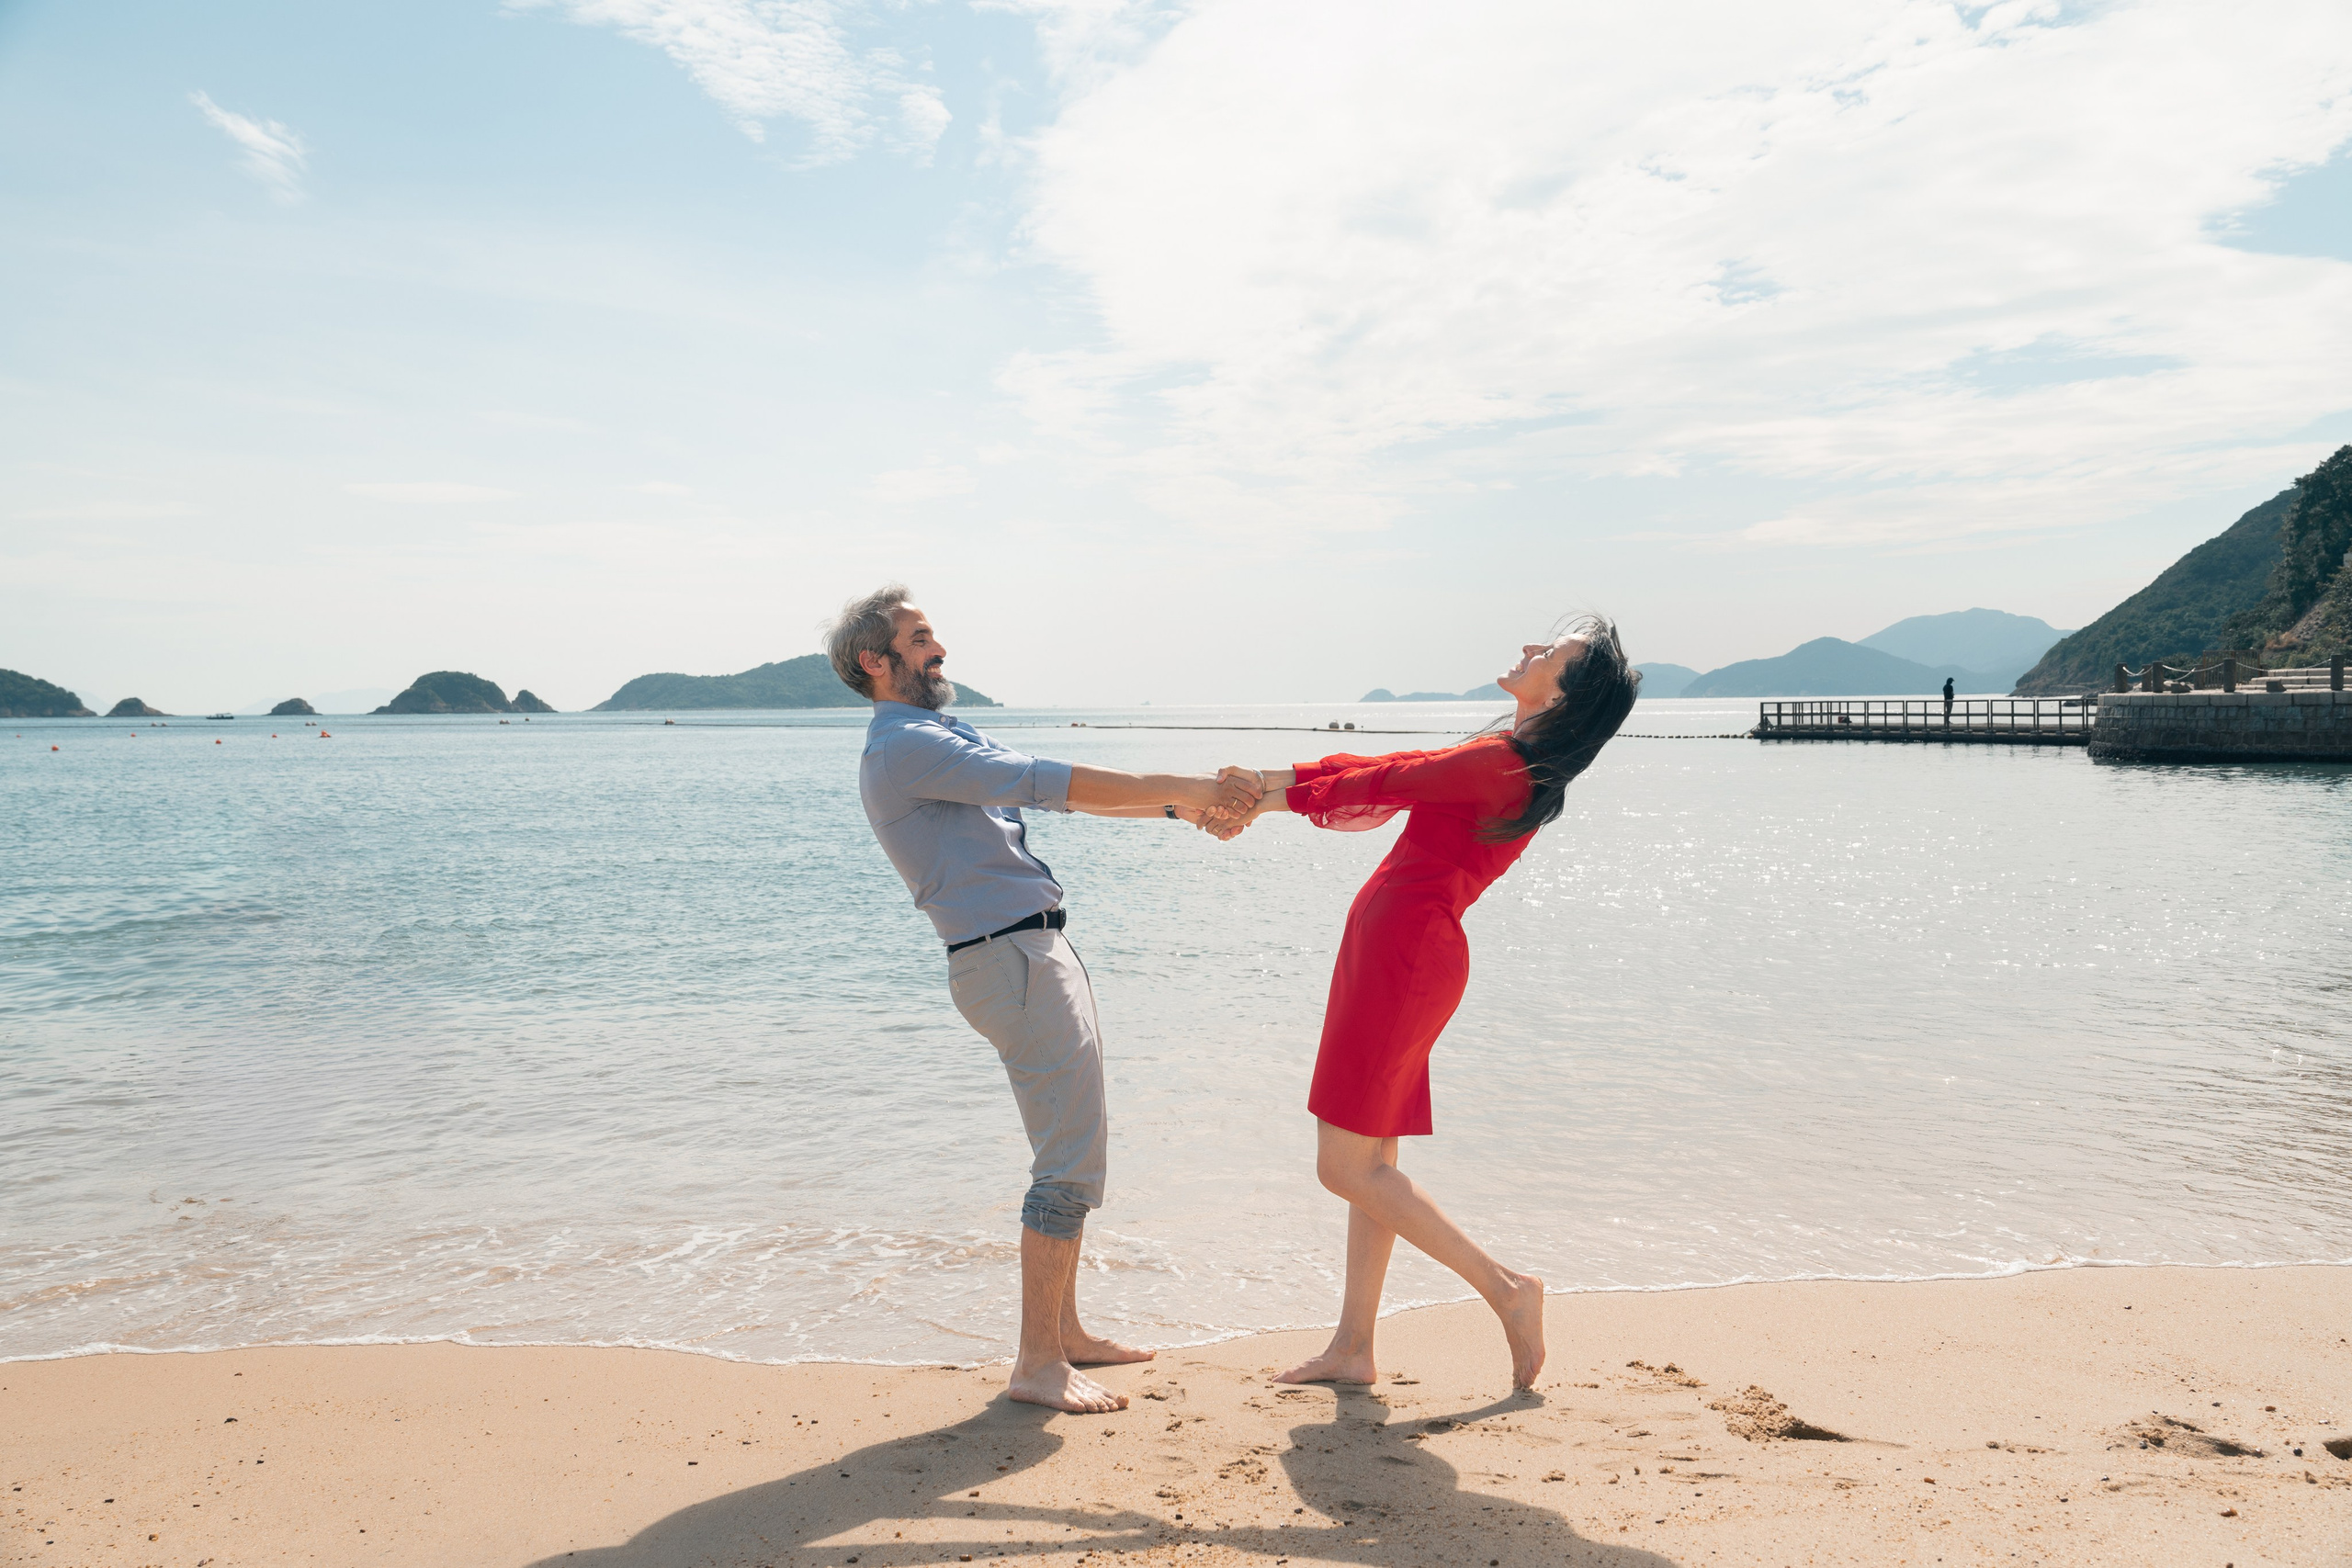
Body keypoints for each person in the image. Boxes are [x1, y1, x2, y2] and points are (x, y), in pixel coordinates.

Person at [827, 585, 1260, 1414]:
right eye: (919, 638)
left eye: (934, 635)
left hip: (1028, 949)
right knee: (1067, 1165)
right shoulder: (903, 746)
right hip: (1010, 958)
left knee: (1077, 1145)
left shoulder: (938, 733)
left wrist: (1183, 808)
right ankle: (1035, 1362)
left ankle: (1065, 1337)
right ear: (873, 662)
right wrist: (1199, 790)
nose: (938, 649)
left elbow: (1052, 788)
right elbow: (1053, 782)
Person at [1203, 615, 1639, 1390]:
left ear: (1565, 692)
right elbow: (1397, 766)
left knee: (1344, 1166)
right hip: (1405, 949)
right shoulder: (1514, 761)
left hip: (1403, 955)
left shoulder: (1506, 764)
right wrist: (1267, 794)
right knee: (1373, 1161)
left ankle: (1507, 1291)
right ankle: (1354, 1346)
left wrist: (1257, 794)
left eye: (1553, 654)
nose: (1533, 648)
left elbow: (1384, 778)